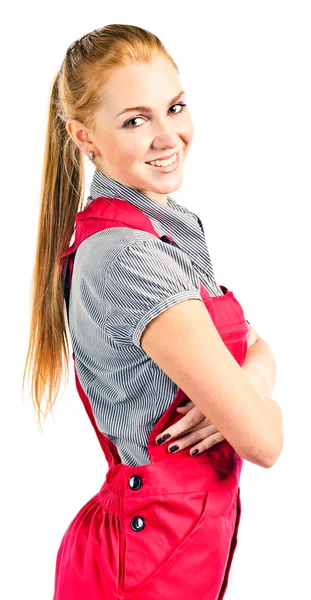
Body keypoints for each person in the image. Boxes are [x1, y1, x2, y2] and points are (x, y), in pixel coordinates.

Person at [23, 23, 283, 600]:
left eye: (175, 107)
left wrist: (244, 383)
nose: (169, 136)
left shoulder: (169, 230)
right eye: (135, 120)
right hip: (140, 565)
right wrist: (256, 407)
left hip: (176, 548)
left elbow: (259, 347)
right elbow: (264, 442)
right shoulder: (127, 258)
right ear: (84, 136)